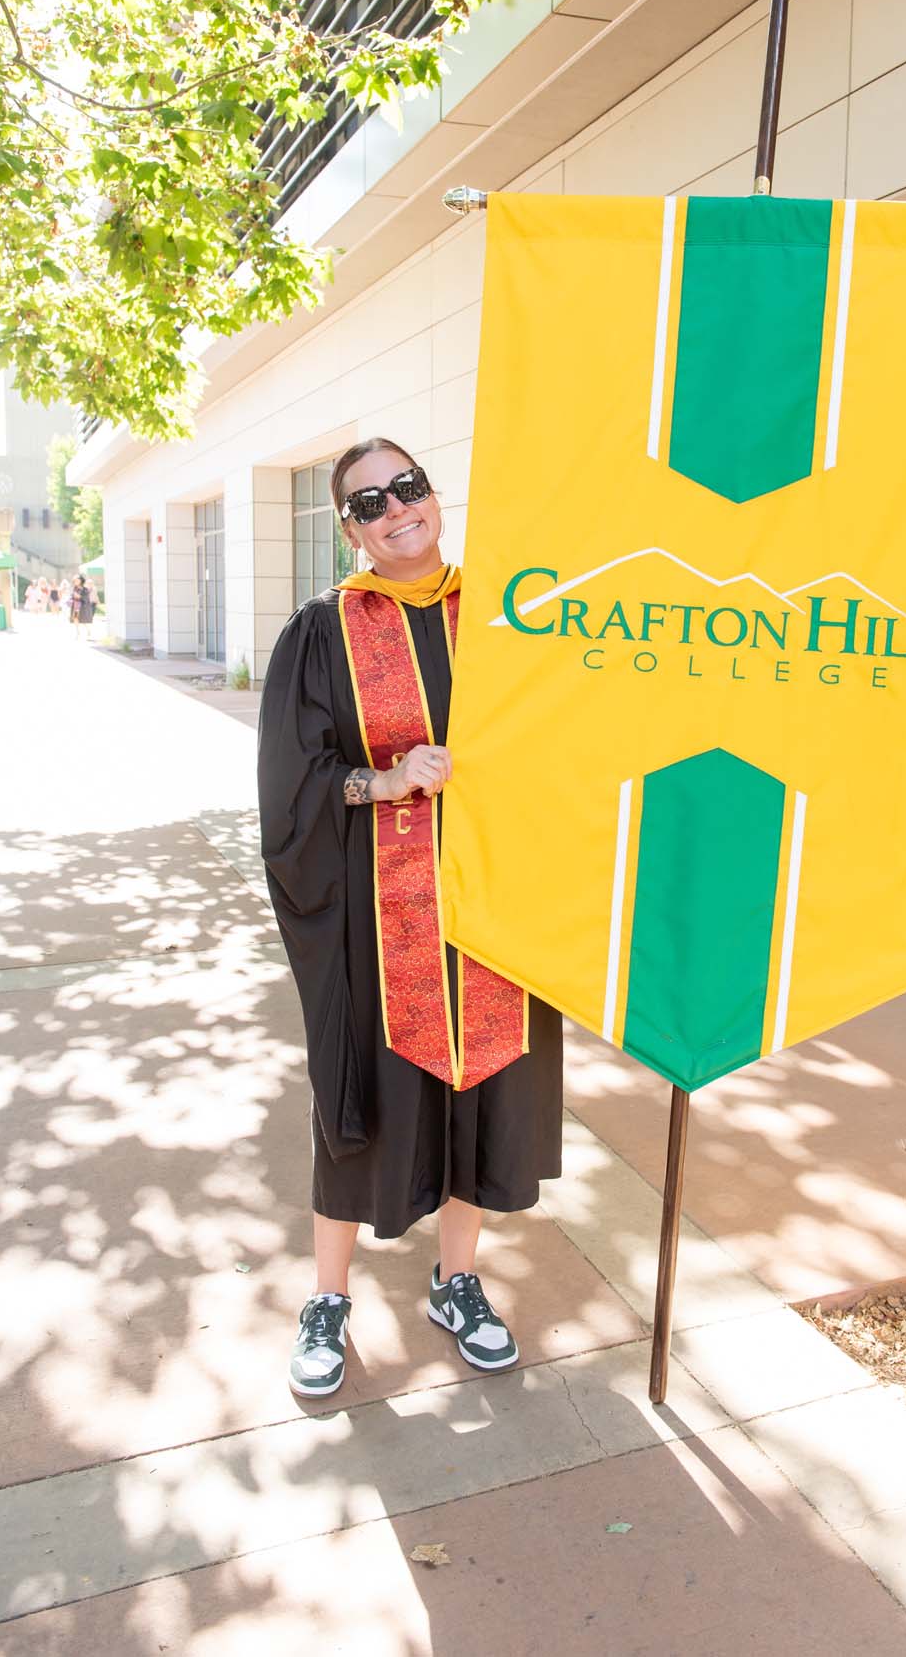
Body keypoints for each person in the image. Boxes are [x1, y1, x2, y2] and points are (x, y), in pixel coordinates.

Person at [258, 437, 563, 1400]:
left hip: (495, 908)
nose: (398, 509)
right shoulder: (324, 630)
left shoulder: (514, 615)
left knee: (482, 1090)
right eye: (370, 502)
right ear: (349, 528)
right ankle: (328, 1297)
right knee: (360, 1099)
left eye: (410, 487)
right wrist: (383, 779)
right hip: (375, 914)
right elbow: (289, 782)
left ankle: (457, 1281)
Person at [69, 573, 96, 640]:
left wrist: (79, 596)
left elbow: (86, 599)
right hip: (75, 606)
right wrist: (72, 597)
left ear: (81, 581)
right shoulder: (74, 588)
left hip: (83, 607)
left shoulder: (85, 589)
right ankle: (78, 633)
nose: (75, 582)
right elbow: (72, 596)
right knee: (75, 619)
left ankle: (88, 631)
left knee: (83, 621)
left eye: (77, 580)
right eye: (74, 580)